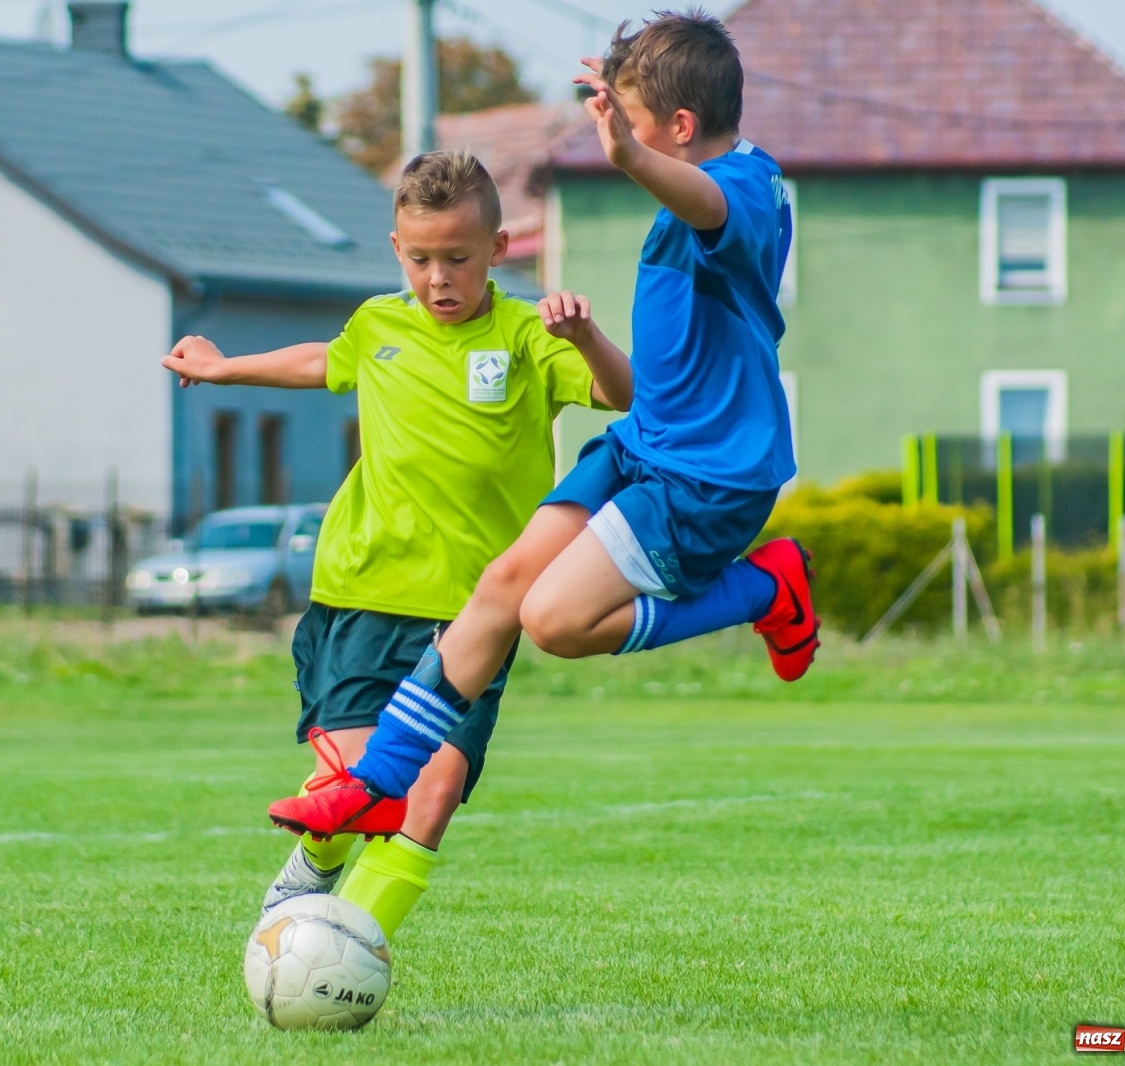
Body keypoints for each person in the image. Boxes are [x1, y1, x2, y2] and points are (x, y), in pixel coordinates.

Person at [267, 10, 819, 841]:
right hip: (648, 444)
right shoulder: (720, 165)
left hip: (706, 470)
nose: (615, 135)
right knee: (500, 588)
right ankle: (381, 782)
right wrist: (631, 83)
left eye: (631, 120)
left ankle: (766, 587)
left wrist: (630, 156)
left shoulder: (737, 187)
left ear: (678, 127)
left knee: (555, 622)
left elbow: (703, 201)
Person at [163, 149, 630, 937]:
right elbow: (321, 362)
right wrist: (222, 367)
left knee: (434, 790)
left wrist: (585, 337)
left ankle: (344, 945)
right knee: (353, 789)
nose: (439, 277)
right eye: (420, 259)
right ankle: (313, 869)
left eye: (457, 258)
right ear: (396, 252)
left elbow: (621, 394)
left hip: (475, 610)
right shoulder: (377, 324)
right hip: (363, 593)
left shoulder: (525, 334)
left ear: (498, 249)